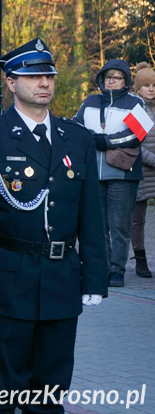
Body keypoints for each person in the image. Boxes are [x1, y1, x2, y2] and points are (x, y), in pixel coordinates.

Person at [0, 38, 107, 414]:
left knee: (51, 391)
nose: (44, 83)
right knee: (5, 389)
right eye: (34, 76)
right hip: (8, 279)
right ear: (11, 83)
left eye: (49, 76)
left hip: (61, 278)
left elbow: (91, 213)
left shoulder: (77, 138)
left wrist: (95, 277)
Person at [73, 58, 145, 287]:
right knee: (97, 224)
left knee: (120, 225)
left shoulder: (136, 103)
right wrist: (88, 140)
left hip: (123, 174)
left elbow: (136, 134)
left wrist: (106, 141)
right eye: (108, 77)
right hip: (93, 172)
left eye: (117, 77)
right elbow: (76, 126)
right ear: (101, 79)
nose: (112, 81)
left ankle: (117, 270)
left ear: (125, 80)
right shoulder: (90, 101)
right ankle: (101, 267)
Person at [130, 62, 155, 278]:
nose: (151, 89)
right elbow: (133, 145)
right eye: (146, 85)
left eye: (154, 85)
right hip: (141, 172)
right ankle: (140, 260)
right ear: (137, 89)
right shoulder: (135, 111)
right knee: (138, 219)